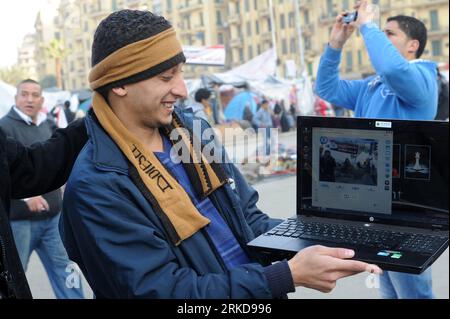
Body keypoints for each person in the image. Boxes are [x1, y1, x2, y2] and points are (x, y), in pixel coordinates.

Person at [59, 9, 381, 299]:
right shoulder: (97, 184)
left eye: (181, 73)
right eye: (165, 77)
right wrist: (286, 276)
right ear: (119, 84)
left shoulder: (191, 130)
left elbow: (248, 219)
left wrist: (327, 240)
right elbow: (160, 290)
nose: (182, 90)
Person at [315, 0, 438, 299]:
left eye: (389, 33)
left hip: (405, 205)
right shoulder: (371, 85)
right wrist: (335, 44)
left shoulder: (422, 78)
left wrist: (368, 25)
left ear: (412, 45)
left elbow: (393, 70)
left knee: (412, 293)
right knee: (389, 287)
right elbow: (326, 88)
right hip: (372, 200)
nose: (379, 37)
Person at [0, 79, 84, 299]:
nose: (29, 99)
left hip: (53, 220)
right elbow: (12, 174)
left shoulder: (47, 124)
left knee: (68, 273)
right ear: (16, 98)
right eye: (24, 94)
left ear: (42, 99)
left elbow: (51, 162)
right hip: (21, 223)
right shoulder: (4, 127)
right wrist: (27, 200)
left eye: (34, 94)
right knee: (11, 279)